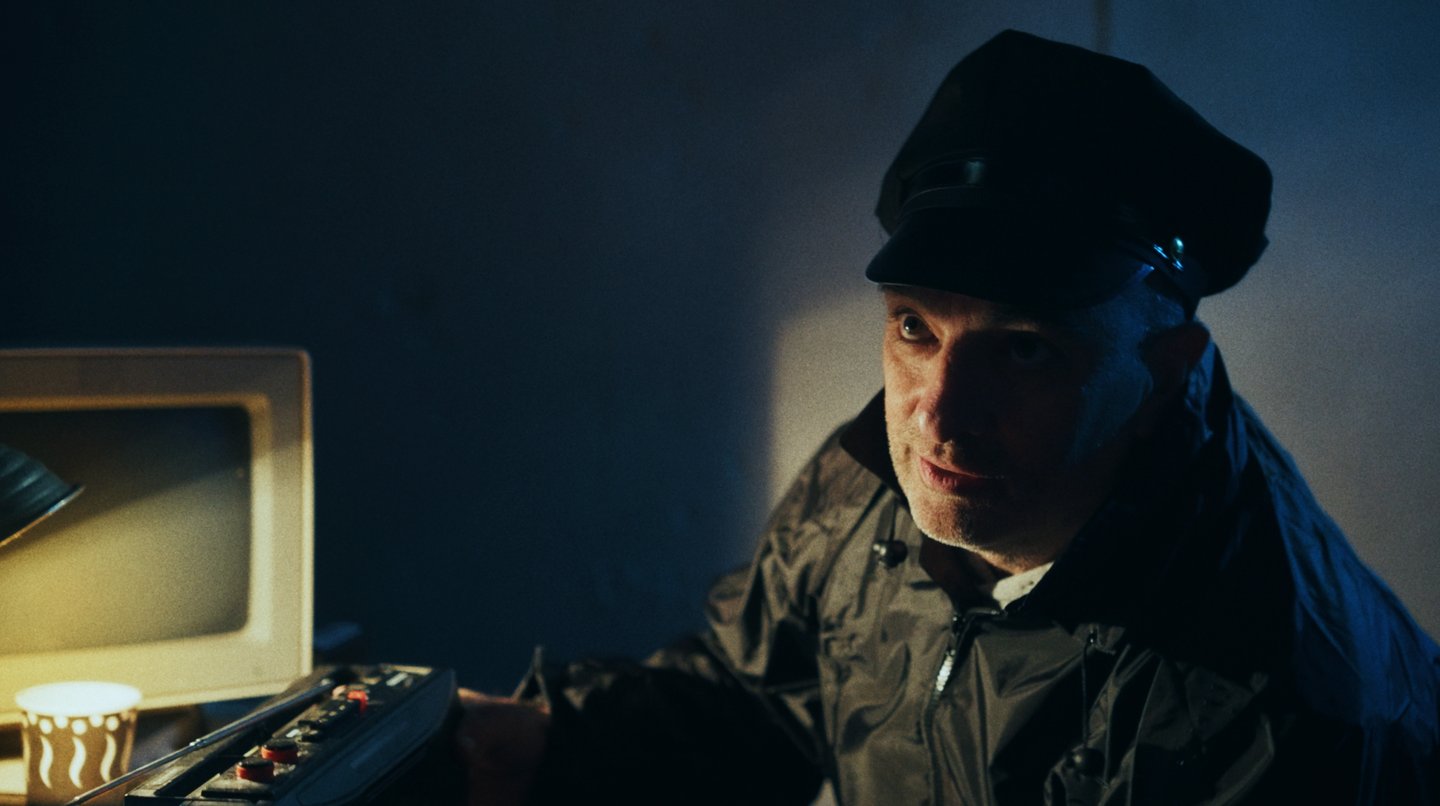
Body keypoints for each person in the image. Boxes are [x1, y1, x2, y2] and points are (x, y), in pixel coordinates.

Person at [453, 30, 1440, 805]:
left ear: (1164, 371)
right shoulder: (871, 482)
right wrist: (548, 748)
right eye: (916, 328)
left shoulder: (1273, 710)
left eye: (1025, 349)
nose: (938, 416)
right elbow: (759, 697)